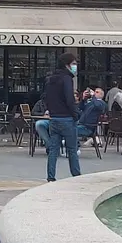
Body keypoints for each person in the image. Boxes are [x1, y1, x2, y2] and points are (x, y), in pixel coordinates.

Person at [43, 53, 81, 183]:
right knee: (72, 149)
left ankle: (50, 176)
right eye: (74, 64)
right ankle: (76, 175)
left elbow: (46, 98)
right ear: (67, 65)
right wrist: (75, 114)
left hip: (54, 118)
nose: (75, 66)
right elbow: (69, 99)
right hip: (67, 118)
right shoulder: (66, 79)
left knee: (53, 149)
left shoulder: (50, 79)